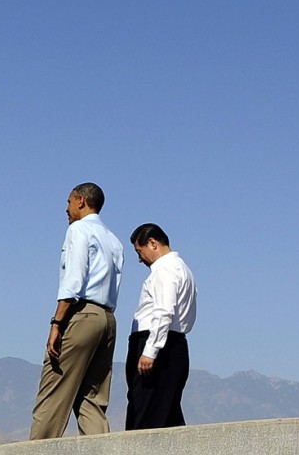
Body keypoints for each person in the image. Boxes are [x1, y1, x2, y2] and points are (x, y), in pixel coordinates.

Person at [29, 182, 124, 439]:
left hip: (82, 314)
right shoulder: (114, 240)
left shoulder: (79, 229)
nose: (66, 208)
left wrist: (57, 323)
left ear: (80, 200)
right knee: (92, 399)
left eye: (69, 202)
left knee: (53, 394)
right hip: (107, 319)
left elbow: (73, 280)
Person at [125, 223, 197, 430]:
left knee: (144, 413)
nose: (140, 259)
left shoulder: (165, 269)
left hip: (157, 344)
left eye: (139, 251)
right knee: (167, 412)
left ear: (152, 243)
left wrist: (150, 351)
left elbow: (164, 310)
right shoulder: (183, 269)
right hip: (175, 344)